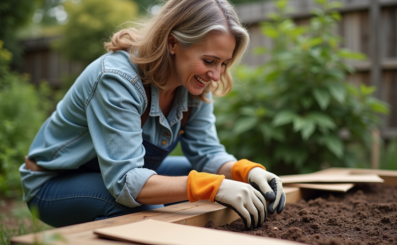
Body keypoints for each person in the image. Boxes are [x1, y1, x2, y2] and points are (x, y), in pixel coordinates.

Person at [20, 0, 286, 229]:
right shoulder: (117, 79)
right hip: (54, 185)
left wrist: (243, 171)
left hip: (113, 174)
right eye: (208, 61)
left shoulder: (194, 84)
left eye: (223, 63)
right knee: (152, 210)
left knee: (218, 181)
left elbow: (207, 154)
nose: (216, 75)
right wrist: (213, 187)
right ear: (173, 42)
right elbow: (126, 183)